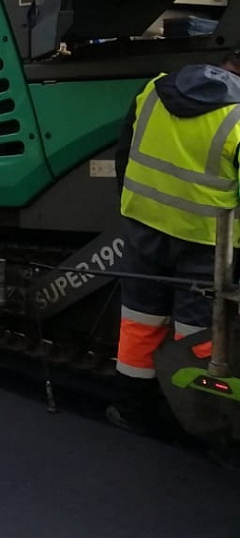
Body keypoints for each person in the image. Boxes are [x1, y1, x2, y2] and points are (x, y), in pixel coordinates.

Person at [108, 48, 240, 433]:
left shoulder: (152, 90)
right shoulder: (237, 119)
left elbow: (123, 156)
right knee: (198, 337)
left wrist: (133, 210)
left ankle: (132, 411)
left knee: (139, 323)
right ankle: (200, 425)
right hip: (206, 244)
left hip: (145, 228)